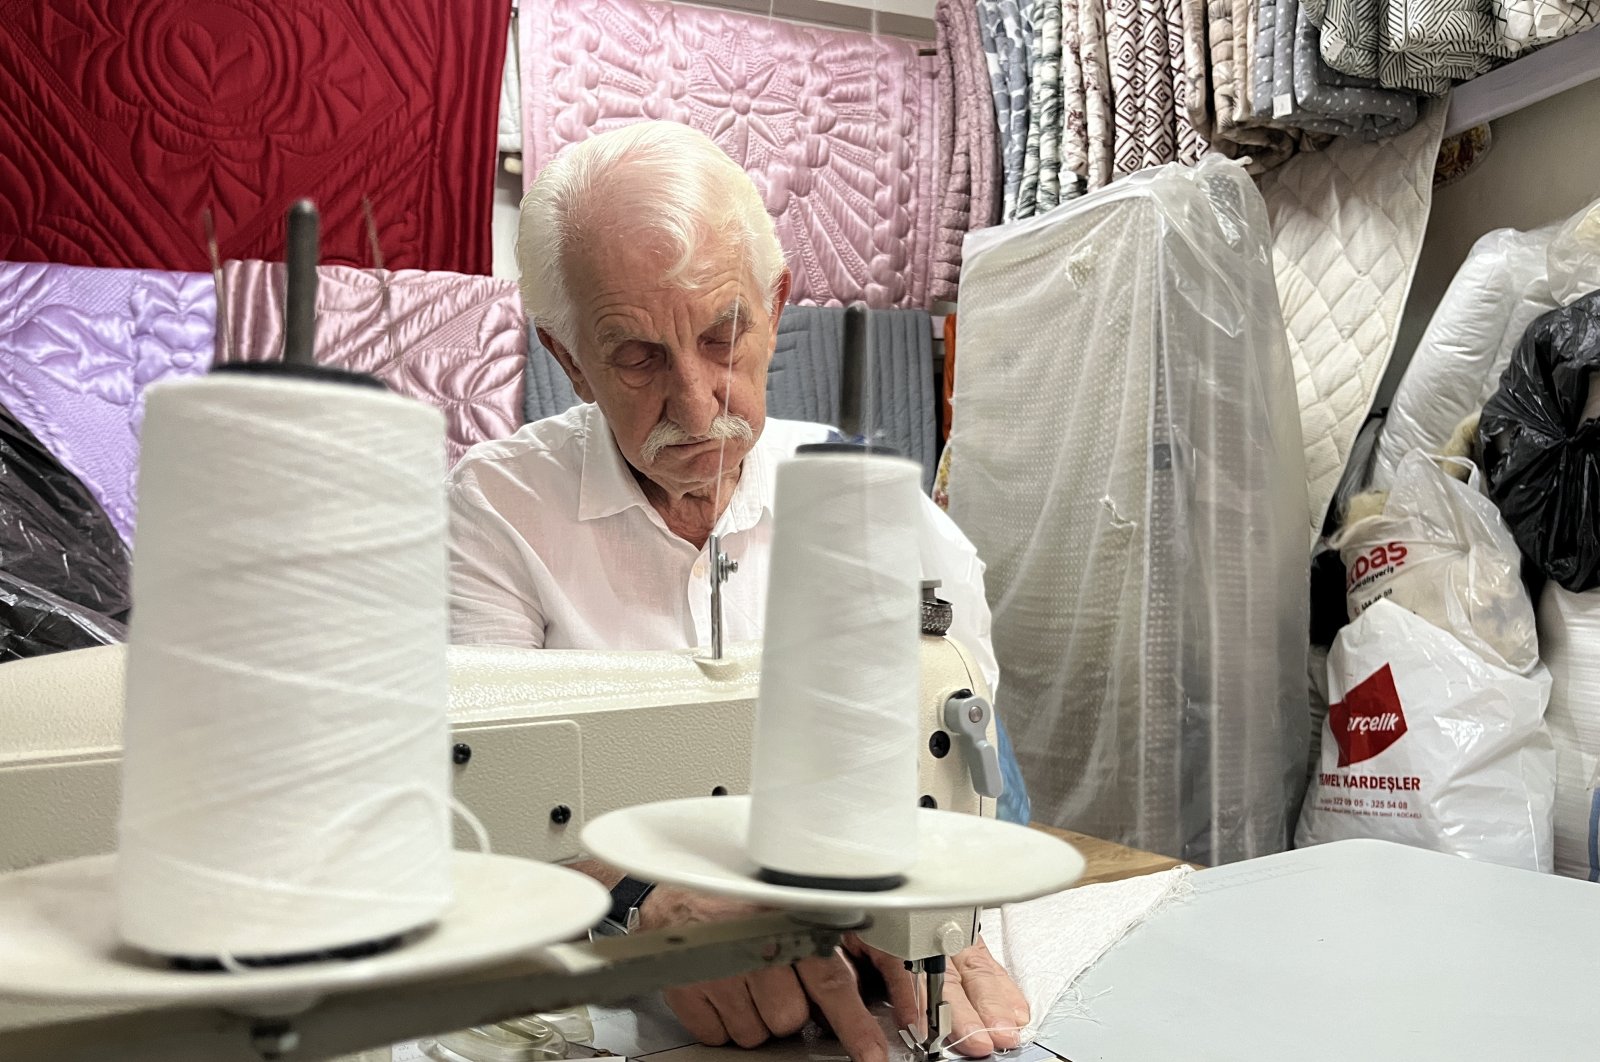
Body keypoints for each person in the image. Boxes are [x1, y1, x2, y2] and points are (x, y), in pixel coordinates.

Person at [447, 121, 1030, 1062]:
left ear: (776, 306)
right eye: (636, 356)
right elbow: (472, 804)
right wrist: (639, 905)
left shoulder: (874, 507)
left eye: (724, 336)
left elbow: (951, 775)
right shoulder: (497, 513)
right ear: (568, 361)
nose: (695, 402)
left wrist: (935, 911)